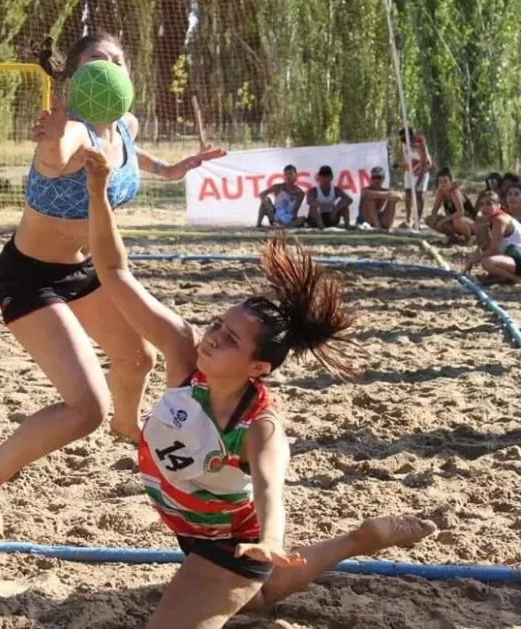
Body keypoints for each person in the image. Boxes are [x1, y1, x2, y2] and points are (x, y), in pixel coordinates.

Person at [79, 146, 437, 628]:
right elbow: (116, 273)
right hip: (192, 528)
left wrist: (270, 539)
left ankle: (322, 548)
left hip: (233, 545)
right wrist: (98, 191)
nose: (211, 339)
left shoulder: (259, 427)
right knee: (259, 598)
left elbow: (271, 490)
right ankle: (362, 537)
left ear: (257, 369)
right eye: (216, 326)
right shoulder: (185, 354)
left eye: (229, 340)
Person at [0, 33, 226, 536]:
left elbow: (133, 153)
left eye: (117, 60)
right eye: (97, 61)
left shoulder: (123, 124)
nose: (109, 67)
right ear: (76, 76)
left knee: (138, 359)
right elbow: (57, 160)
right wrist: (53, 130)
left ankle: (129, 429)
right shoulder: (70, 130)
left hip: (87, 270)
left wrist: (171, 169)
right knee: (85, 408)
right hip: (31, 277)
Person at [465, 189, 521, 286]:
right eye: (481, 204)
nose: (484, 208)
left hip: (518, 258)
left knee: (487, 262)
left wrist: (473, 260)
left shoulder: (499, 220)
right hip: (513, 258)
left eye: (489, 204)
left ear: (498, 205)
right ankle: (500, 276)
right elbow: (486, 244)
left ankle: (515, 279)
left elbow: (494, 250)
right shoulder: (492, 220)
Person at [424, 168, 476, 244]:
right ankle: (453, 237)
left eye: (445, 181)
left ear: (450, 182)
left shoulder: (454, 192)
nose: (443, 184)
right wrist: (434, 217)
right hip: (453, 220)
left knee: (457, 220)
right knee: (429, 219)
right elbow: (435, 209)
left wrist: (443, 221)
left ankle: (468, 238)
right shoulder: (441, 193)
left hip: (468, 222)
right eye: (440, 182)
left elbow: (461, 212)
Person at [397, 128, 432, 225]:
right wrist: (400, 164)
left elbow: (425, 162)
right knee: (408, 195)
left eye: (404, 137)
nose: (402, 139)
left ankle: (418, 219)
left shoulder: (420, 143)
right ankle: (408, 219)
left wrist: (419, 180)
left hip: (422, 171)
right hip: (410, 172)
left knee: (419, 194)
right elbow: (406, 160)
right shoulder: (404, 144)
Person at [356, 166, 401, 230]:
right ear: (371, 179)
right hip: (366, 220)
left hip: (380, 218)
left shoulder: (386, 191)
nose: (376, 180)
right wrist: (388, 194)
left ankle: (388, 227)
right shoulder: (365, 190)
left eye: (379, 177)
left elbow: (399, 196)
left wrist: (389, 195)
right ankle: (378, 227)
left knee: (393, 200)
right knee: (370, 199)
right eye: (374, 177)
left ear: (383, 179)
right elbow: (370, 194)